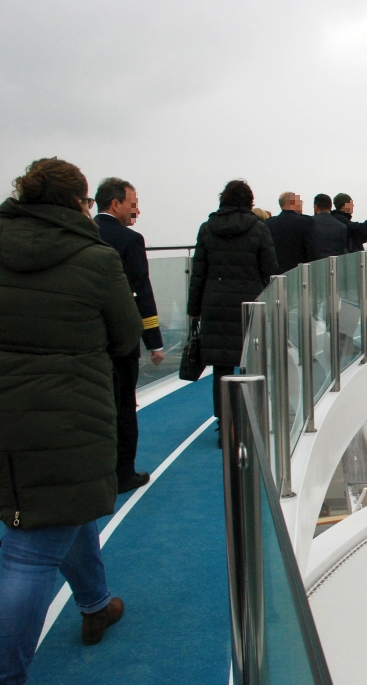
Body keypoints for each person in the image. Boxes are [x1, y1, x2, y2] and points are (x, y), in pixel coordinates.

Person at [0, 158, 143, 683]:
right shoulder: (95, 258)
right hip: (68, 417)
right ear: (80, 204)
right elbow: (124, 335)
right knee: (27, 555)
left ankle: (94, 603)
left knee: (66, 509)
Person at [187, 180, 278, 424]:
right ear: (249, 202)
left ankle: (225, 423)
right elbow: (269, 271)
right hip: (251, 303)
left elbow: (199, 272)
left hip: (215, 303)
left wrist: (194, 310)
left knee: (221, 367)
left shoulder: (207, 229)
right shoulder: (259, 229)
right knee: (250, 362)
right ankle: (250, 420)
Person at [94, 178, 162, 494]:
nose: (135, 210)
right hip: (121, 341)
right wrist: (154, 341)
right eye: (132, 203)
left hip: (89, 340)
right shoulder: (129, 239)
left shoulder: (85, 233)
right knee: (123, 407)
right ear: (117, 203)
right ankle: (124, 473)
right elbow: (141, 292)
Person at [264, 191, 314, 272]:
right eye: (300, 202)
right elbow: (311, 251)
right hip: (299, 273)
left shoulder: (268, 224)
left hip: (276, 274)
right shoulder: (306, 222)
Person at [311, 193, 349, 259]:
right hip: (335, 266)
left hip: (314, 265)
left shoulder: (309, 223)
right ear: (330, 207)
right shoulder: (342, 227)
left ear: (315, 207)